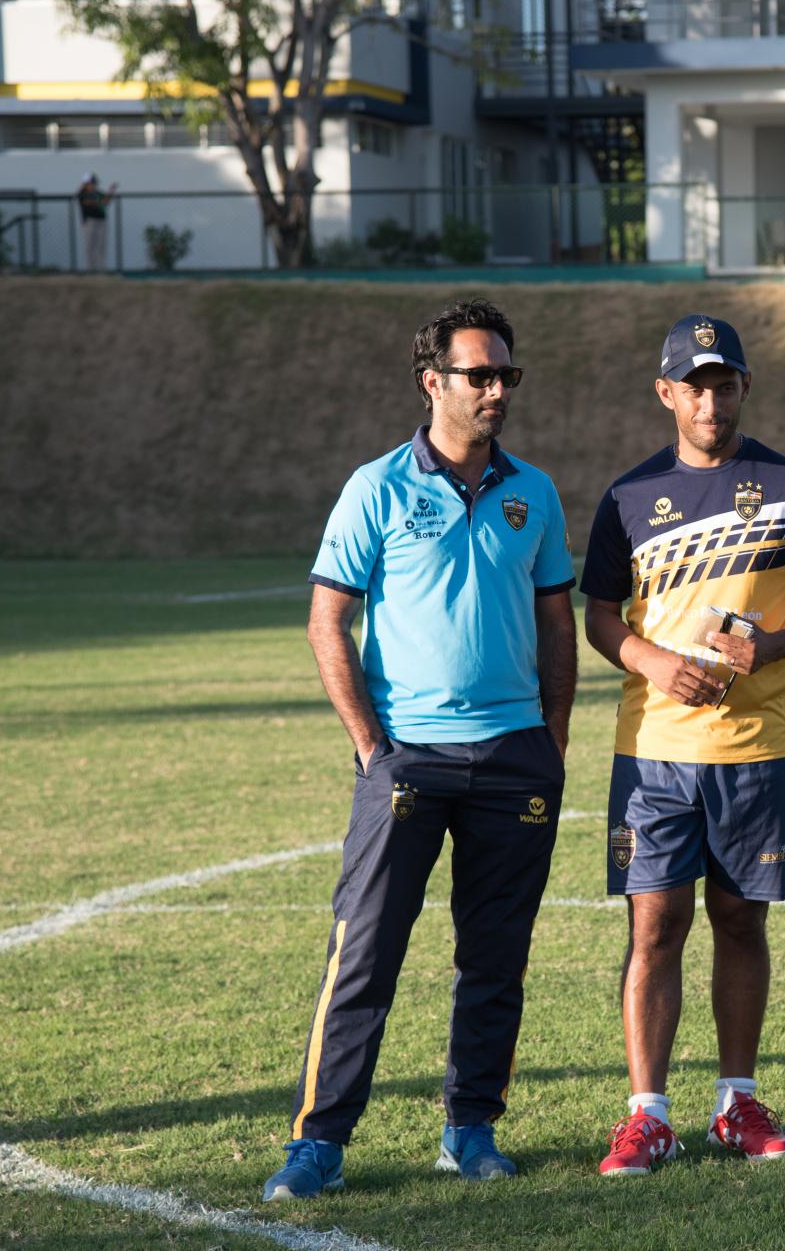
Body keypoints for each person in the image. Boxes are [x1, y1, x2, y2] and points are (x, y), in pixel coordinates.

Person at [263, 298, 577, 1201]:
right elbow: (329, 617)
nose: (496, 390)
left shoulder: (536, 493)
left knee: (496, 955)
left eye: (506, 375)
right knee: (364, 951)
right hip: (408, 760)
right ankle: (319, 1142)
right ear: (432, 381)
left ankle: (470, 1130)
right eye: (479, 374)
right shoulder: (376, 486)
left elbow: (556, 619)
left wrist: (551, 740)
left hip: (515, 759)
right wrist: (371, 744)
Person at [580, 313, 785, 1176]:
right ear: (666, 393)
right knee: (654, 923)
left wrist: (769, 645)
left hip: (757, 746)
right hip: (655, 745)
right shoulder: (629, 496)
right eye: (693, 384)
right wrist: (654, 659)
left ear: (744, 387)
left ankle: (736, 1100)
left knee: (740, 919)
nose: (709, 398)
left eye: (723, 381)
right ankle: (647, 1113)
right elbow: (598, 615)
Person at [77, 172, 116, 271]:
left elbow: (105, 202)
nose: (94, 185)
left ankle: (100, 269)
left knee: (101, 246)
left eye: (94, 183)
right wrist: (99, 202)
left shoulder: (98, 193)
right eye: (91, 183)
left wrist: (111, 191)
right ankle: (90, 269)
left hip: (101, 221)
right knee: (90, 246)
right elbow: (88, 202)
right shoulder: (83, 194)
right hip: (90, 222)